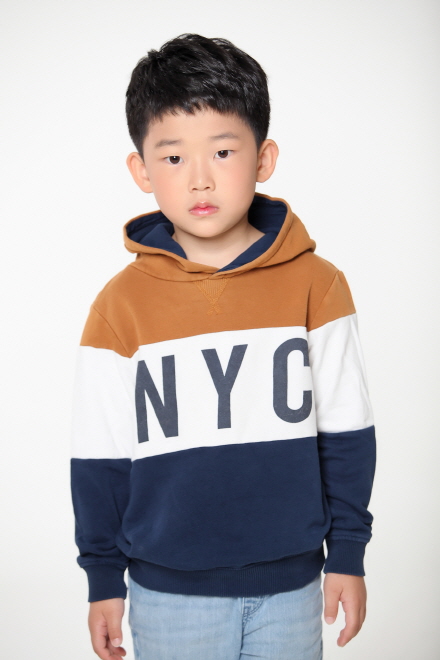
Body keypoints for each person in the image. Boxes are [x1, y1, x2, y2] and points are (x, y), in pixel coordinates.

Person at [70, 33, 376, 660]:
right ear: (141, 170)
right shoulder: (119, 306)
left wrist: (348, 552)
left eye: (223, 150)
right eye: (173, 157)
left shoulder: (317, 286)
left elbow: (347, 432)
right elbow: (100, 456)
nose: (200, 178)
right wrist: (103, 577)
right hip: (169, 594)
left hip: (292, 586)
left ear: (264, 158)